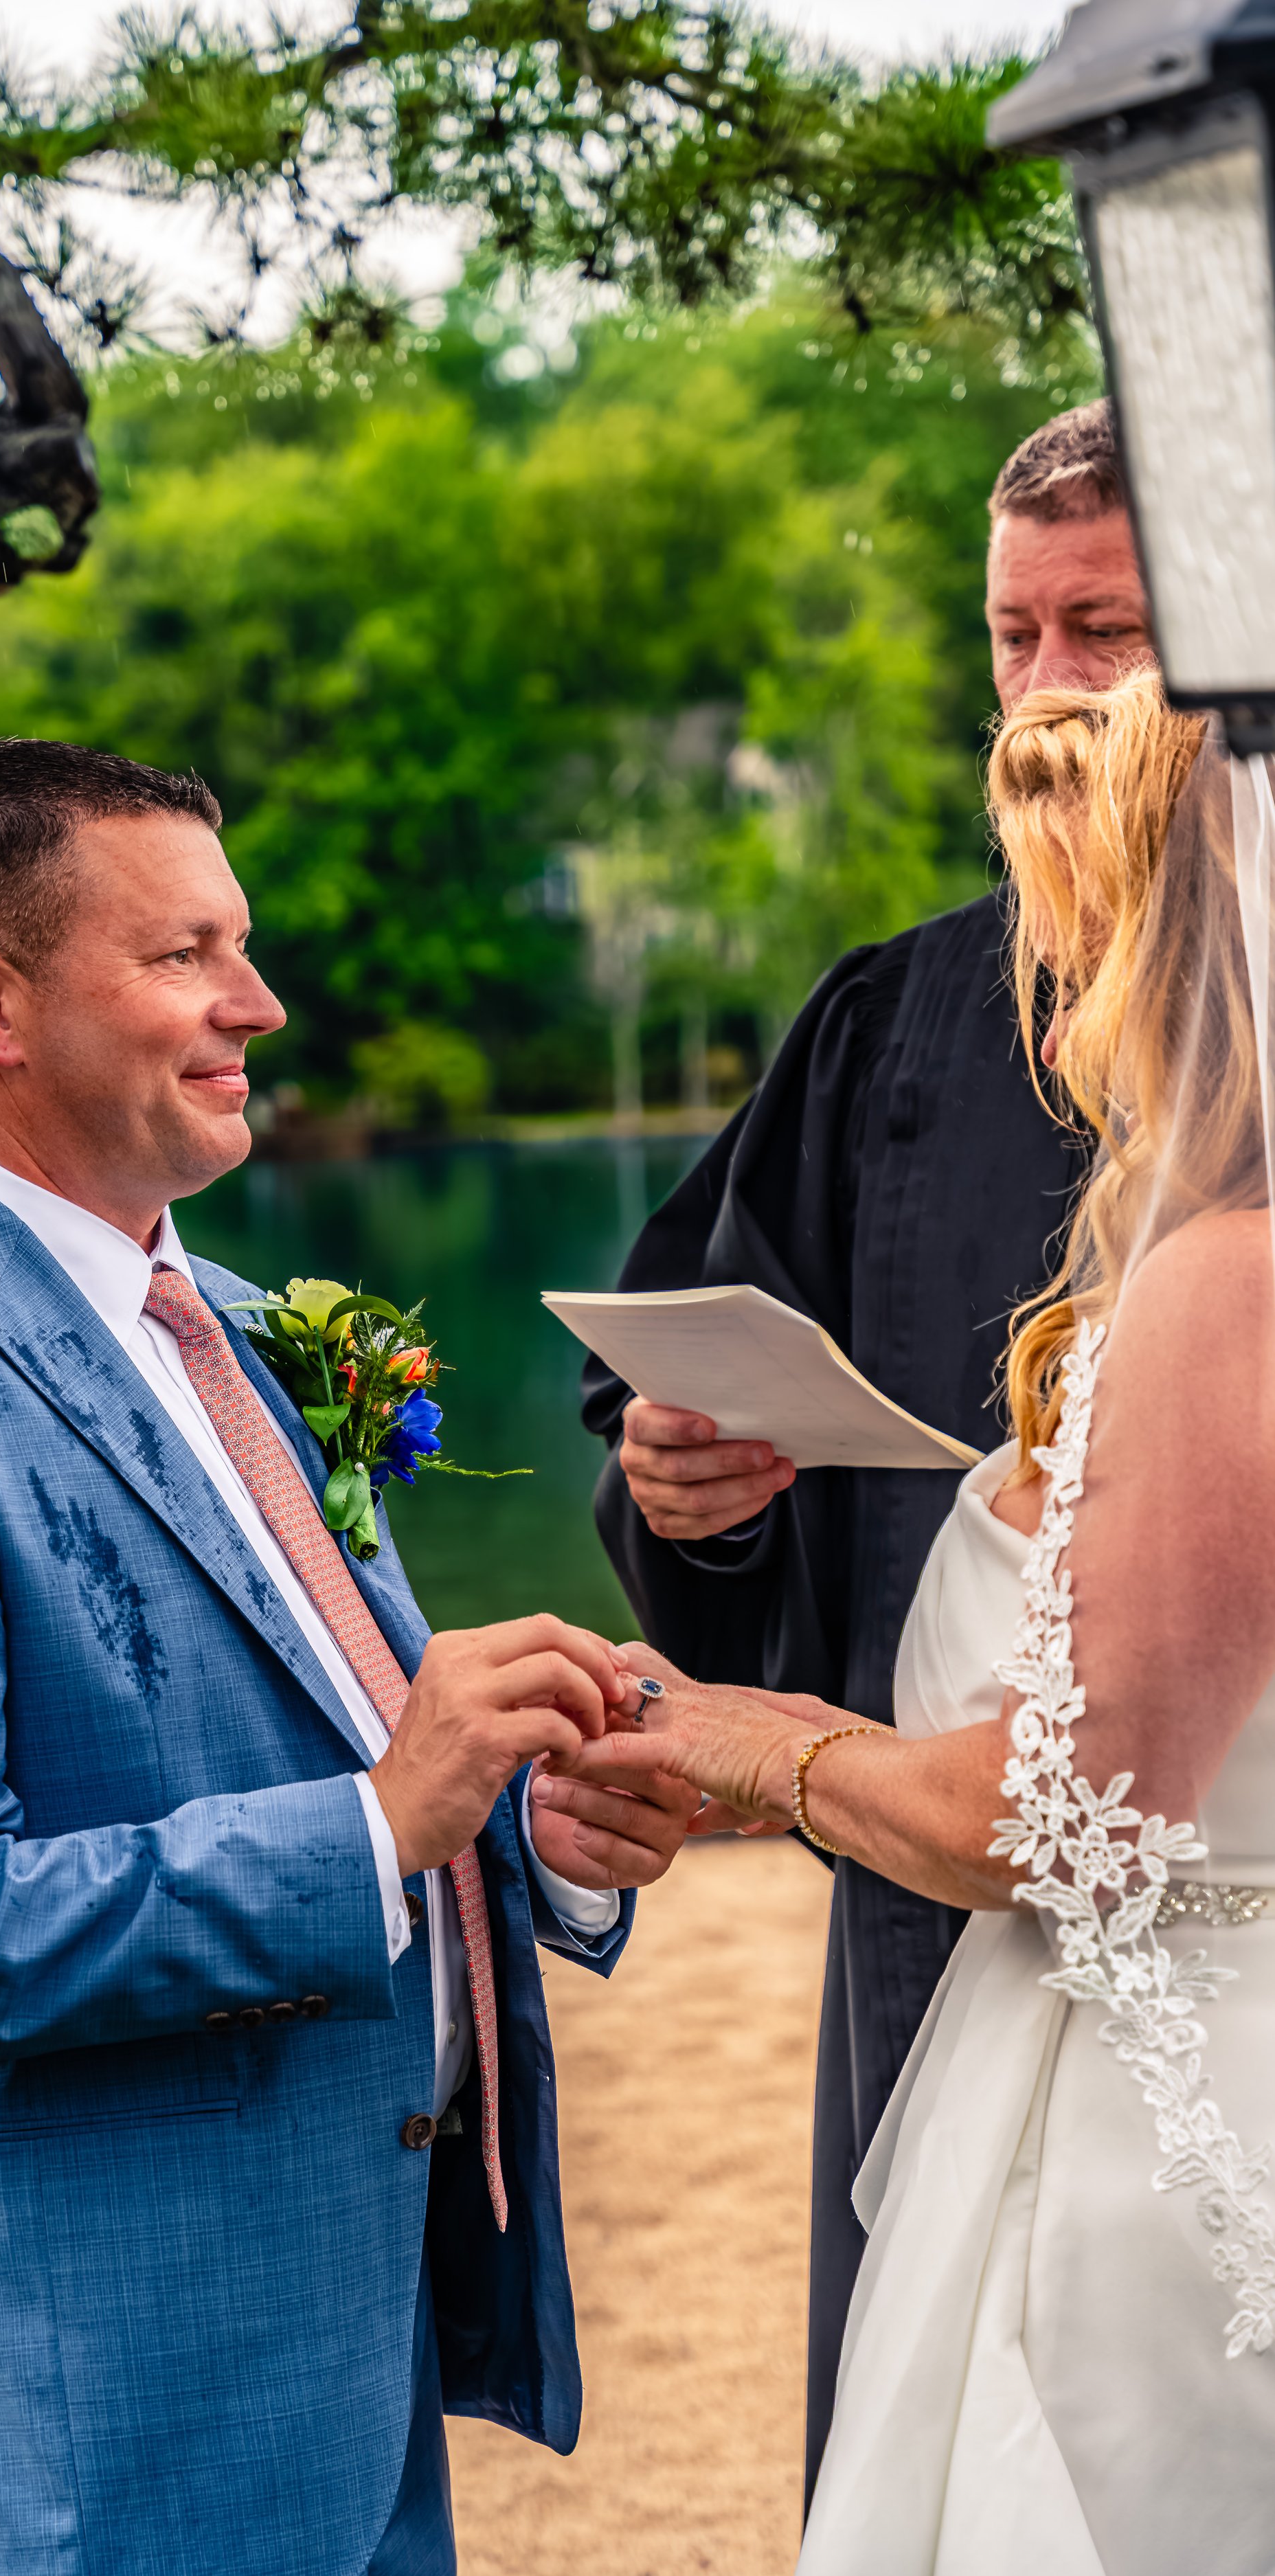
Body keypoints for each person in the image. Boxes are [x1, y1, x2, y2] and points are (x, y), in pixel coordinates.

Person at [0, 739, 690, 2576]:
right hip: (109, 2410)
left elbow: (319, 1752)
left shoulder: (236, 1325)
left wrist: (518, 1829)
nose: (260, 1002)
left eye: (241, 944)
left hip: (357, 2326)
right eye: (183, 956)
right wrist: (377, 1826)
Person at [550, 668, 1275, 2568]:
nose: (1047, 1006)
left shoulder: (1228, 1286)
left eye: (1070, 942)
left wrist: (760, 1745)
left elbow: (1054, 1818)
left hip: (1146, 2150)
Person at [581, 398, 1151, 2488]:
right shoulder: (895, 1023)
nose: (1043, 693)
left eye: (1101, 630)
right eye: (1011, 637)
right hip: (943, 1894)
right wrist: (696, 1503)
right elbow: (706, 1387)